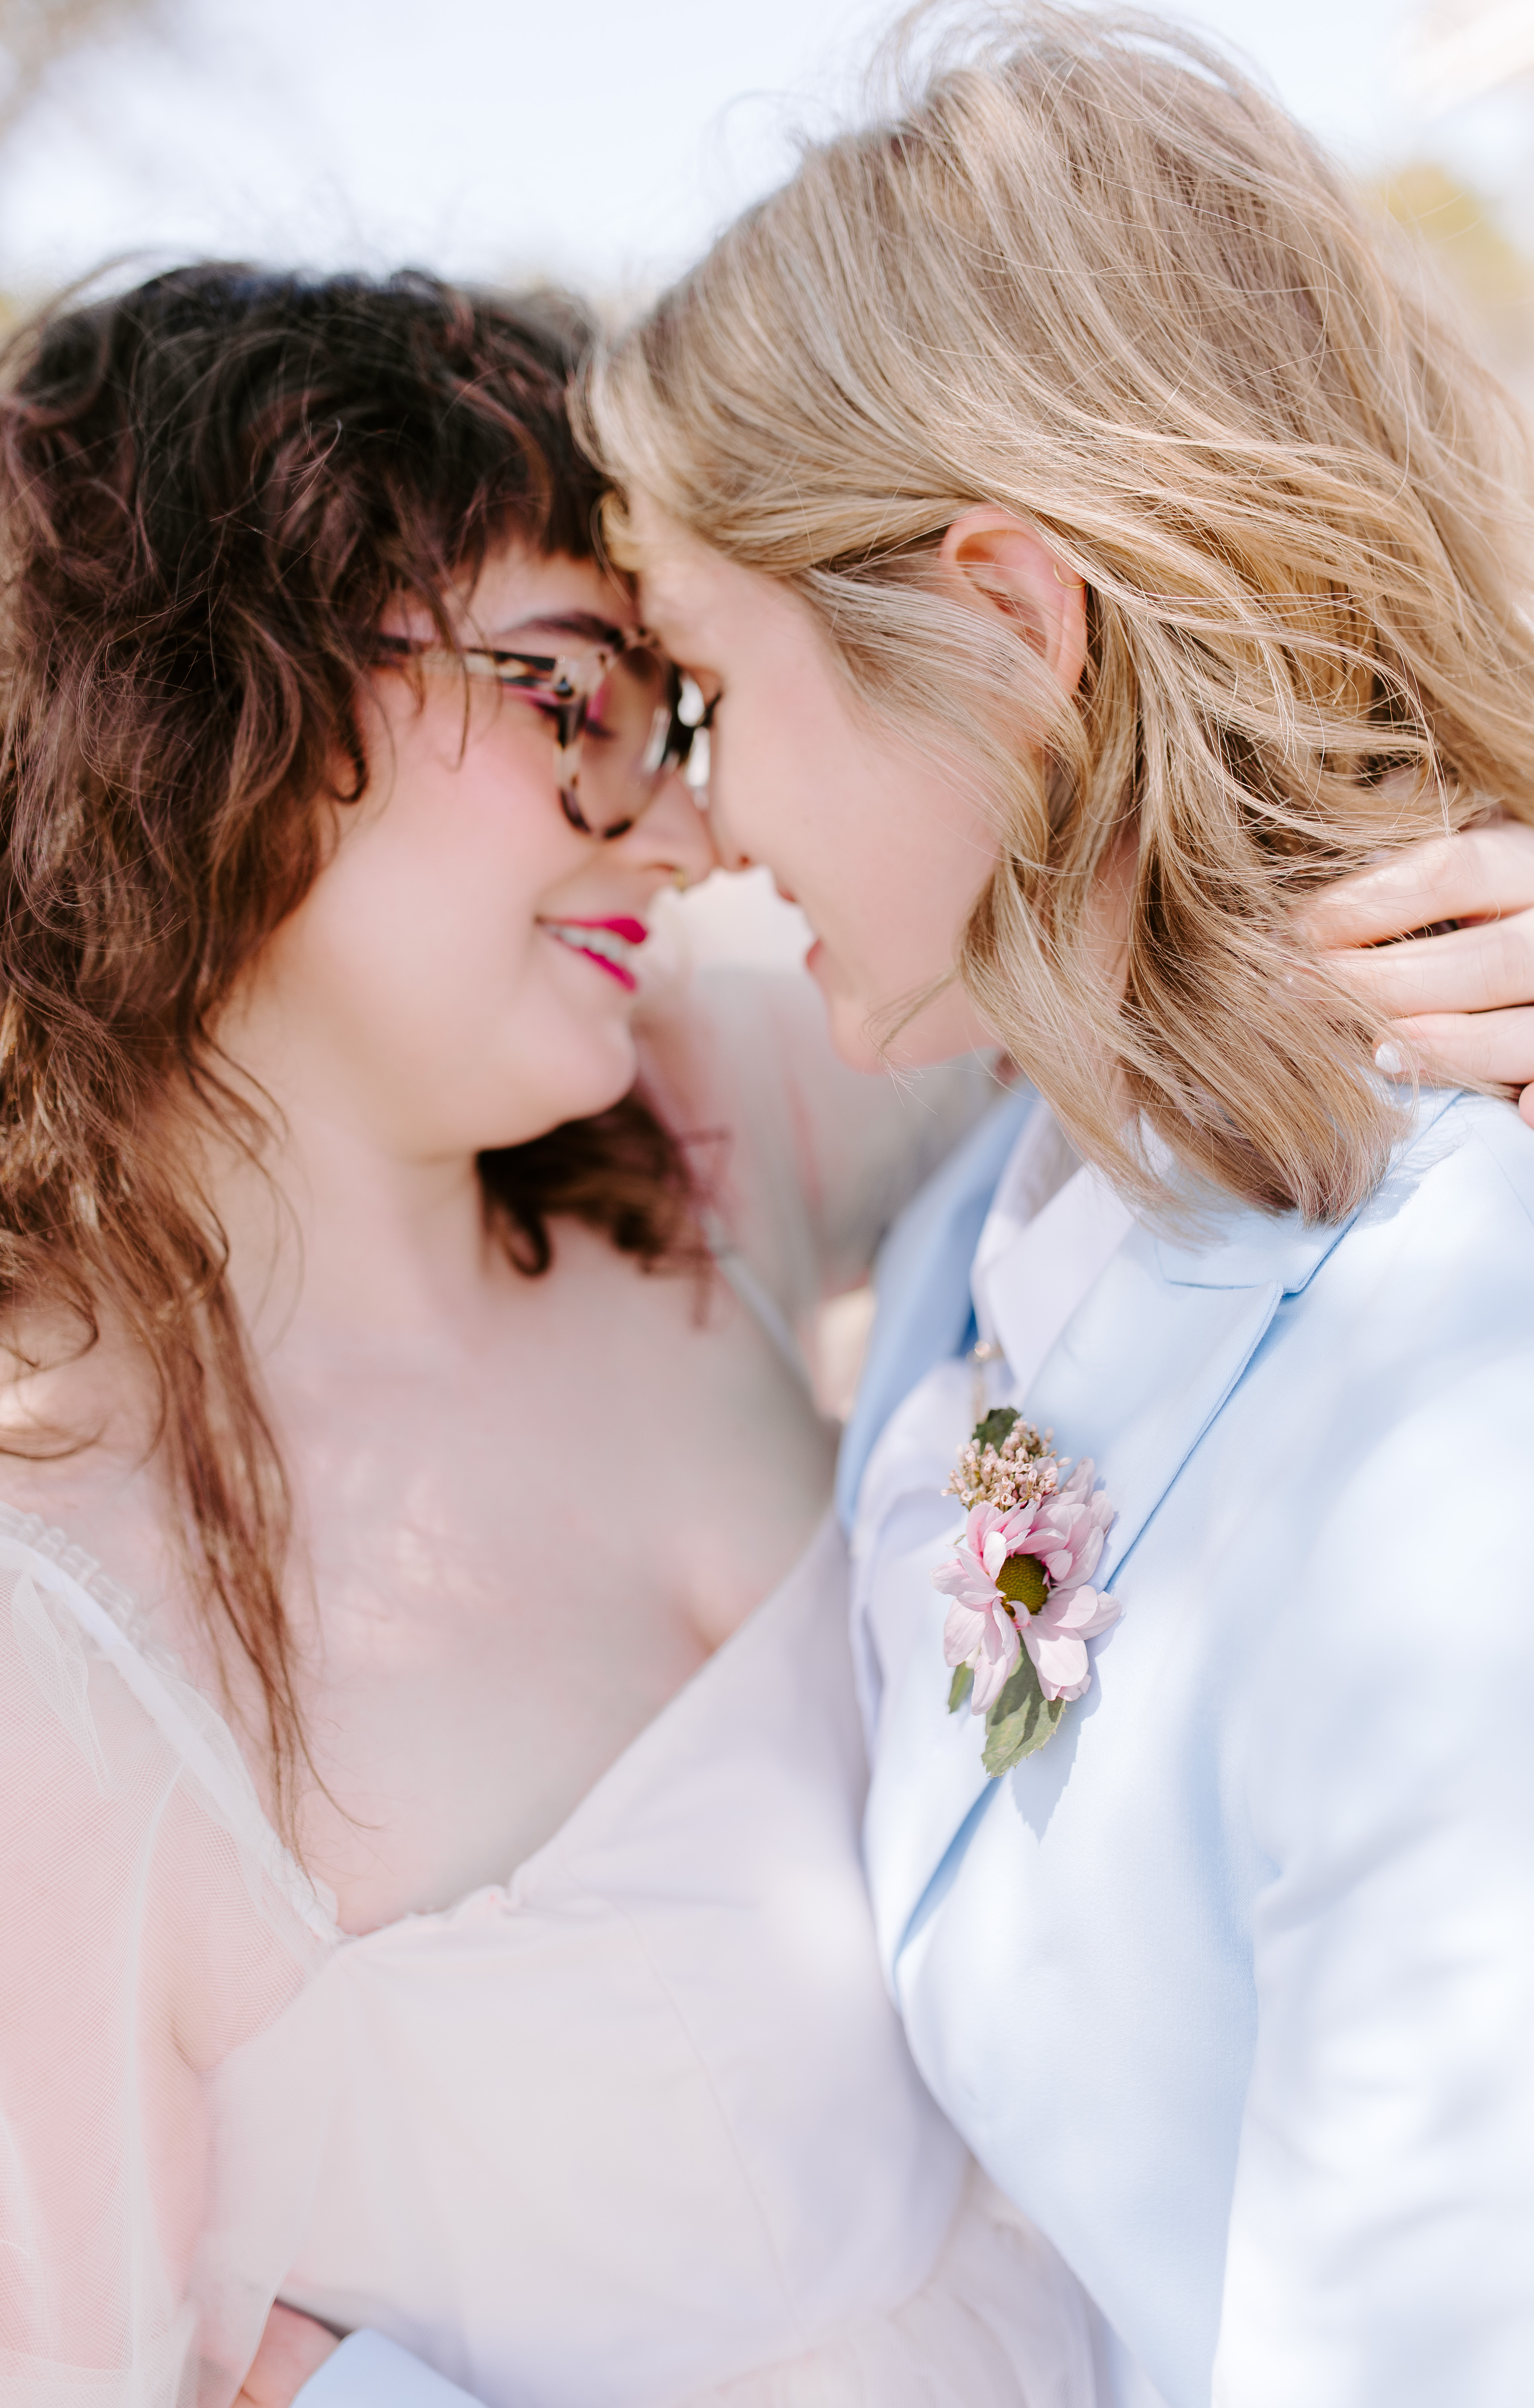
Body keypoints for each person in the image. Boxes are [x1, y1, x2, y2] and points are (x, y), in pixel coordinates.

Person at [584, 8, 1534, 2404]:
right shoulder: (988, 1238)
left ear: (1009, 624)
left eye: (701, 691)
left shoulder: (1465, 1450)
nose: (685, 824)